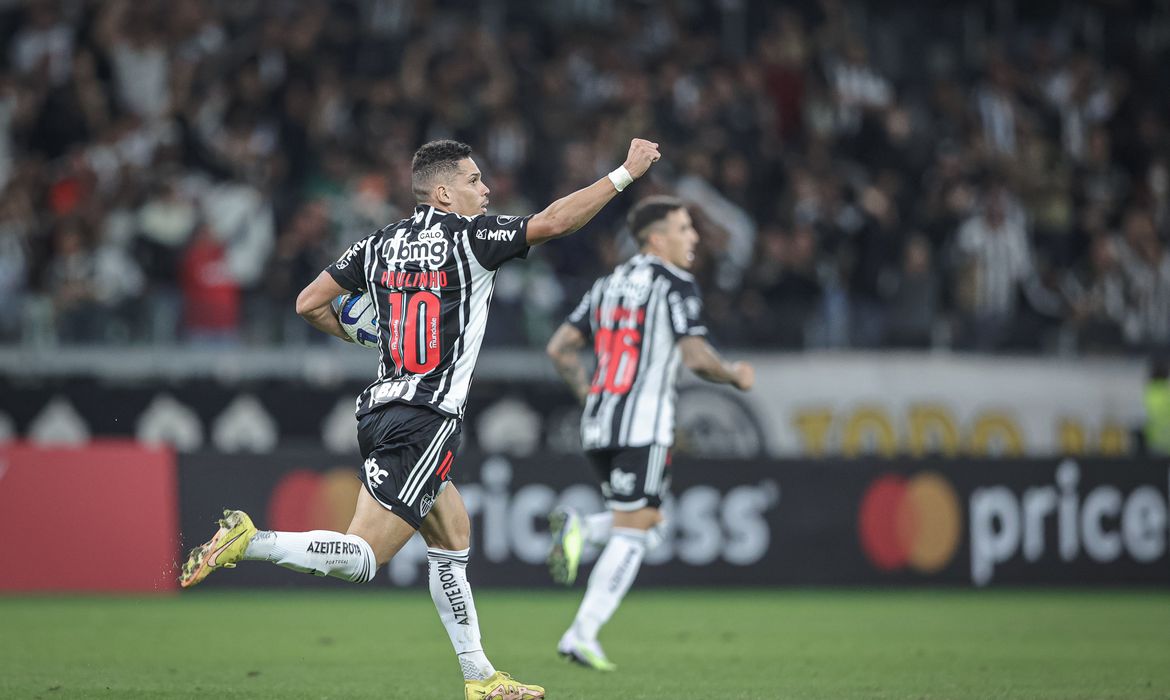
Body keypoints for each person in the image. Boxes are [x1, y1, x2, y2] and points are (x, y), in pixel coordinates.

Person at [178, 137, 661, 700]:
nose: (486, 190)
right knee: (363, 558)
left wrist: (371, 334)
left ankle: (481, 678)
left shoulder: (379, 245)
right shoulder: (472, 239)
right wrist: (625, 174)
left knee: (453, 533)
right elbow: (554, 222)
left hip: (382, 406)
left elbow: (308, 303)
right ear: (443, 192)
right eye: (475, 181)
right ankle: (249, 540)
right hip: (426, 418)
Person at [544, 195, 755, 671]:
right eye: (684, 228)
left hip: (599, 422)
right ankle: (582, 633)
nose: (694, 237)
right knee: (636, 534)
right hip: (643, 424)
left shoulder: (607, 283)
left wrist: (588, 394)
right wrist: (735, 374)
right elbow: (698, 357)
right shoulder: (674, 282)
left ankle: (583, 529)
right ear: (656, 239)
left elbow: (560, 349)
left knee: (649, 524)